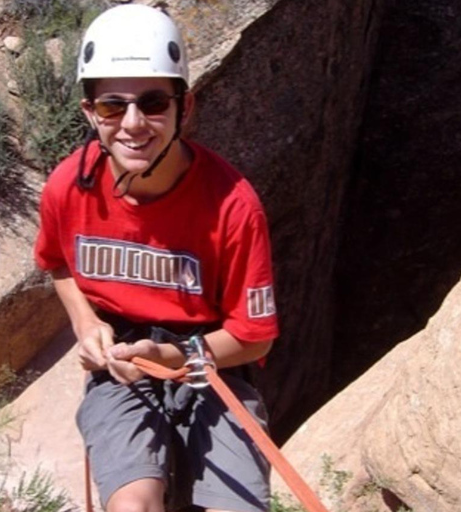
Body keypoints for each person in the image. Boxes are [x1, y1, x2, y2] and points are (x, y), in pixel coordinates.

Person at [34, 5, 279, 512]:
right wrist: (85, 323)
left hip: (212, 363)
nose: (132, 124)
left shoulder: (232, 204)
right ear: (88, 112)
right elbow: (57, 261)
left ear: (183, 107)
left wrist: (177, 358)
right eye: (111, 106)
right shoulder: (67, 187)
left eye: (152, 103)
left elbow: (254, 336)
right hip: (120, 362)